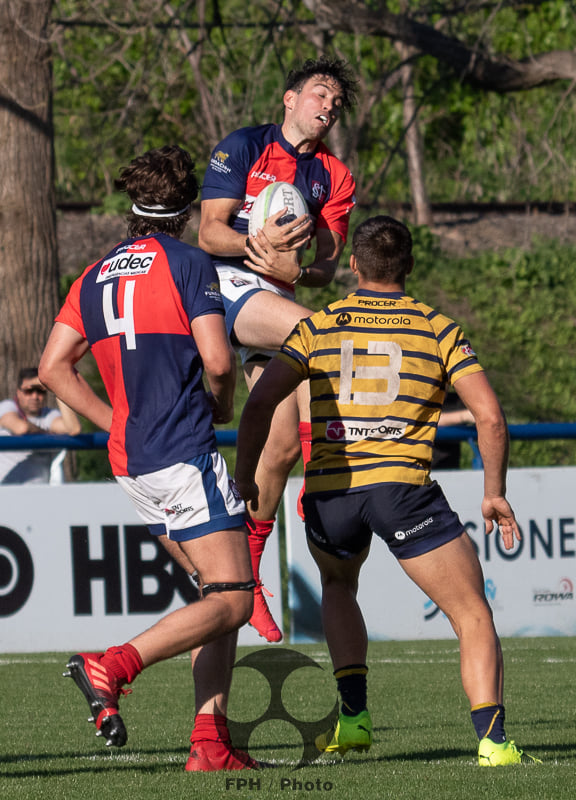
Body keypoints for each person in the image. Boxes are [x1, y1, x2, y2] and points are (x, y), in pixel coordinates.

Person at [234, 215, 541, 767]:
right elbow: (490, 417)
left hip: (331, 494)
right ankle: (493, 743)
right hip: (401, 490)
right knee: (471, 613)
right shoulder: (437, 328)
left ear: (353, 265)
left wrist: (244, 475)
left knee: (338, 586)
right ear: (410, 266)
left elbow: (259, 404)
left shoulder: (317, 326)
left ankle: (353, 719)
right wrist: (494, 491)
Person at [38, 145, 259, 772]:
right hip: (183, 451)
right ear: (187, 209)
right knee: (235, 599)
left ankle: (210, 745)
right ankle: (111, 665)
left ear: (133, 207)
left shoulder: (93, 275)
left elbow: (52, 368)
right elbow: (218, 361)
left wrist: (115, 421)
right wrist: (223, 405)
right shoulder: (189, 262)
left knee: (215, 596)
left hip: (132, 462)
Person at [199, 55, 357, 642]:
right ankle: (323, 486)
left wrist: (298, 270)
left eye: (336, 102)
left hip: (276, 296)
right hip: (225, 284)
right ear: (290, 99)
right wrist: (257, 246)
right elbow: (208, 231)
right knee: (317, 334)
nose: (328, 106)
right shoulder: (244, 145)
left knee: (283, 441)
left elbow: (326, 268)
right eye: (319, 94)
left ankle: (247, 575)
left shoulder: (334, 177)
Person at [0, 367, 81, 485]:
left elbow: (73, 428)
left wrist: (58, 390)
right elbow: (21, 428)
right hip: (1, 491)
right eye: (29, 391)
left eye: (40, 391)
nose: (35, 396)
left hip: (39, 493)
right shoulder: (6, 407)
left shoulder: (49, 415)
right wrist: (49, 435)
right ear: (18, 392)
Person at [432, 388, 476, 470]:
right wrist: (464, 416)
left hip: (450, 467)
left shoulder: (459, 400)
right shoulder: (417, 399)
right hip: (419, 467)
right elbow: (421, 420)